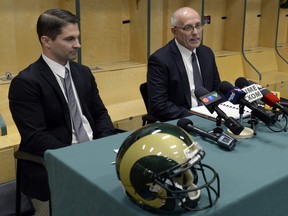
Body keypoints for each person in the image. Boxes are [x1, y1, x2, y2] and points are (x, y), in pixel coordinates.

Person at [9, 9, 115, 201]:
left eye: (78, 37)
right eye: (69, 39)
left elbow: (100, 114)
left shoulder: (83, 73)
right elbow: (35, 136)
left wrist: (103, 145)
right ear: (46, 41)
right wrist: (78, 156)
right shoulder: (26, 82)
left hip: (94, 151)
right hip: (57, 159)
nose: (78, 45)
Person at [147, 7, 221, 121]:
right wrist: (196, 116)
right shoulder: (160, 60)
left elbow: (217, 90)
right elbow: (160, 105)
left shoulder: (206, 53)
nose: (195, 32)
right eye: (188, 28)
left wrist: (213, 108)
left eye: (198, 25)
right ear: (174, 31)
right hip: (182, 120)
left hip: (210, 117)